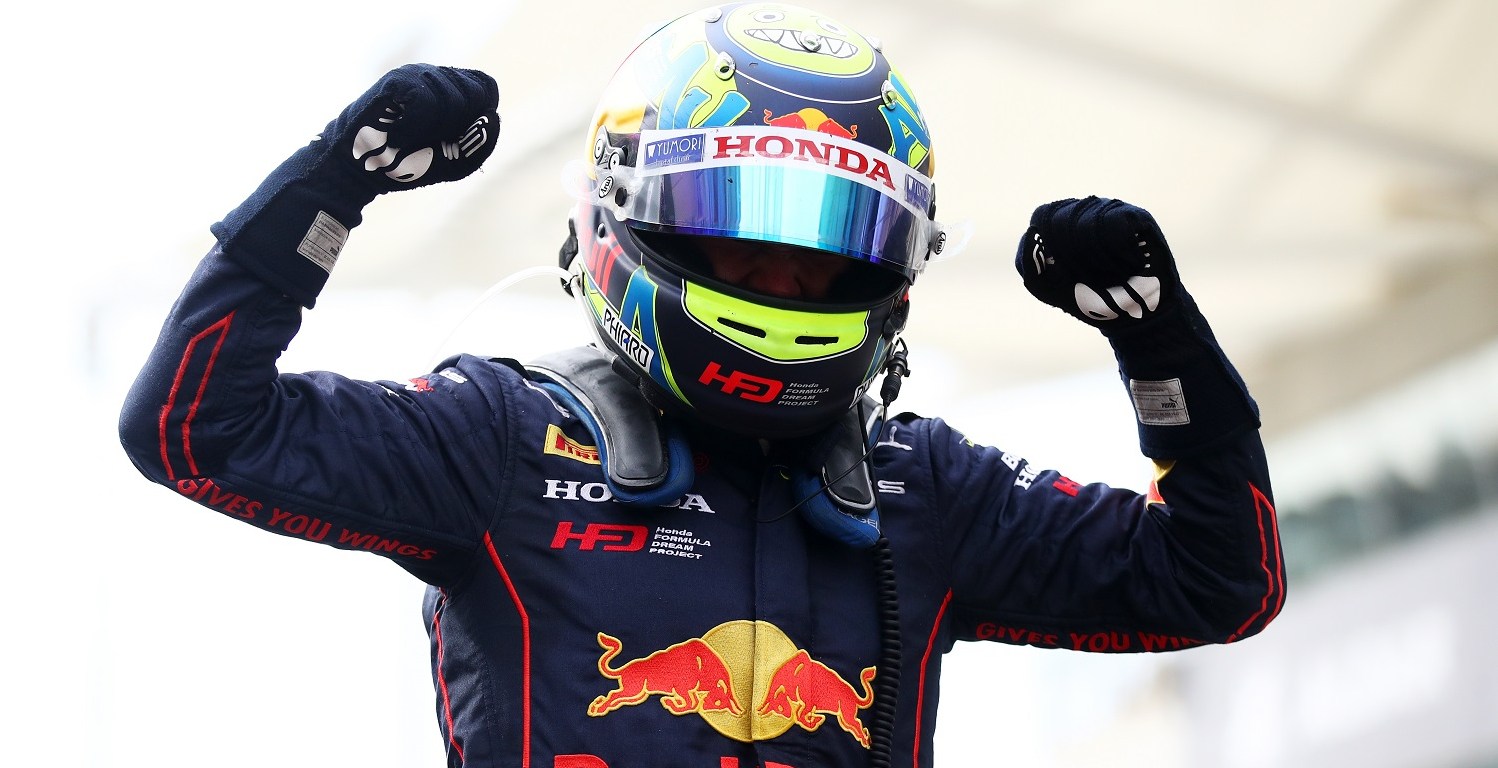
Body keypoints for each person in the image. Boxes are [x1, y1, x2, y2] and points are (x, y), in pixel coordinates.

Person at [118, 3, 1284, 767]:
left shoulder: (924, 488)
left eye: (828, 252)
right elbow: (190, 425)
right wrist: (335, 183)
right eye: (742, 242)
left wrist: (1161, 348)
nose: (783, 280)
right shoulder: (503, 440)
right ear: (629, 220)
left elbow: (1220, 580)